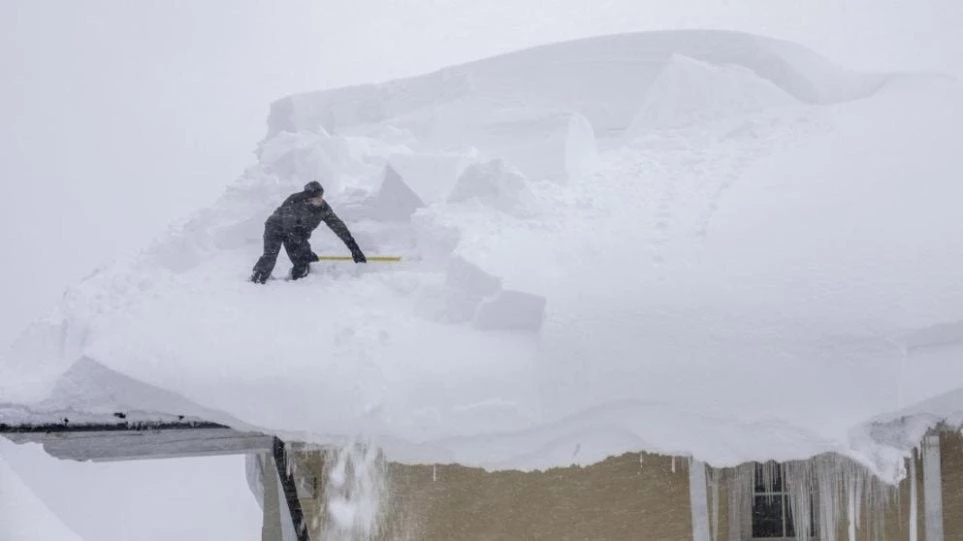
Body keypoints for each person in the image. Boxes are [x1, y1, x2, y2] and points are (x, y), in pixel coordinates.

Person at [250, 181, 366, 283]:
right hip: (275, 228)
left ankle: (297, 282)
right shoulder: (294, 202)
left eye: (321, 196)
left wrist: (354, 248)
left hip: (296, 234)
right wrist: (305, 249)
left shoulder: (323, 209)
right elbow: (289, 228)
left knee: (303, 262)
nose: (320, 200)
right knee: (270, 256)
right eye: (317, 198)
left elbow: (339, 227)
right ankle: (257, 280)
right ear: (308, 198)